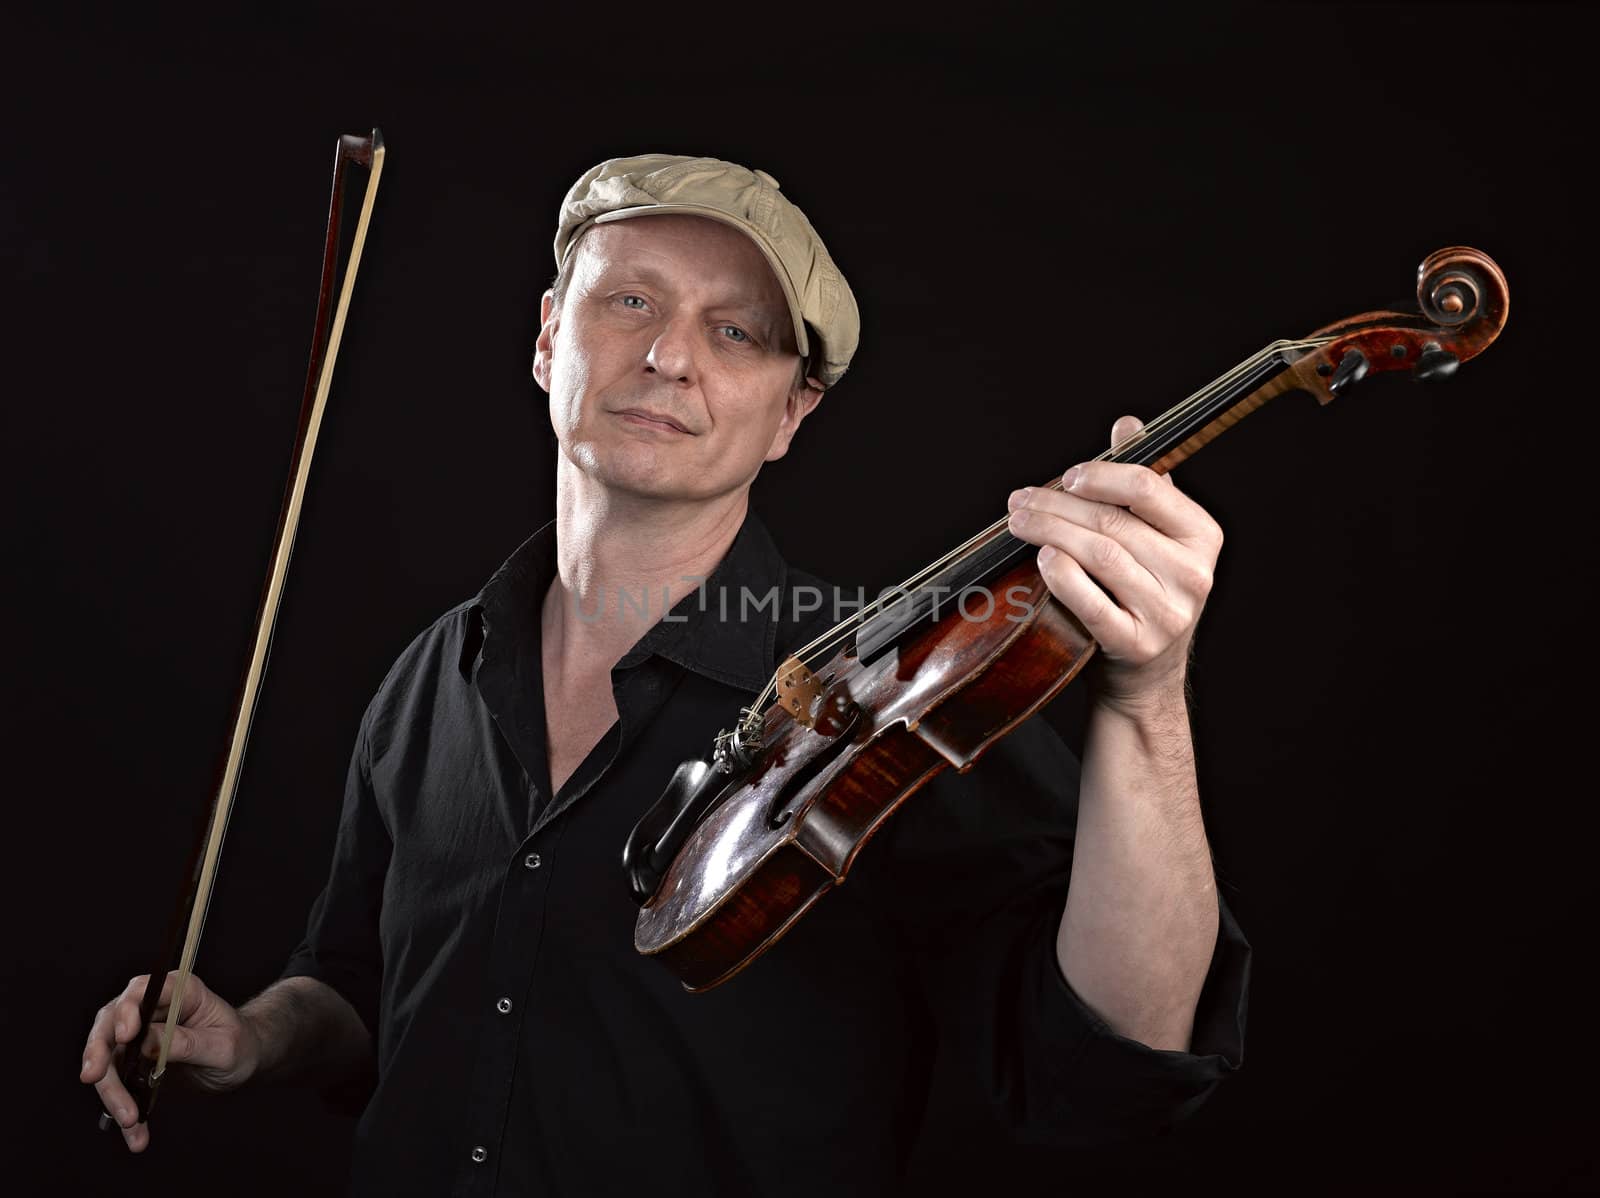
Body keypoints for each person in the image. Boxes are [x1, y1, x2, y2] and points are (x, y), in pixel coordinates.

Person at [81, 154, 1249, 1195]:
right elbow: (355, 988)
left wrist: (1145, 702)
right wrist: (255, 1037)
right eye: (628, 300)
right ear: (548, 337)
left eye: (735, 331)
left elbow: (1124, 1046)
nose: (667, 355)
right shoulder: (430, 675)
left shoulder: (883, 701)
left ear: (793, 411)